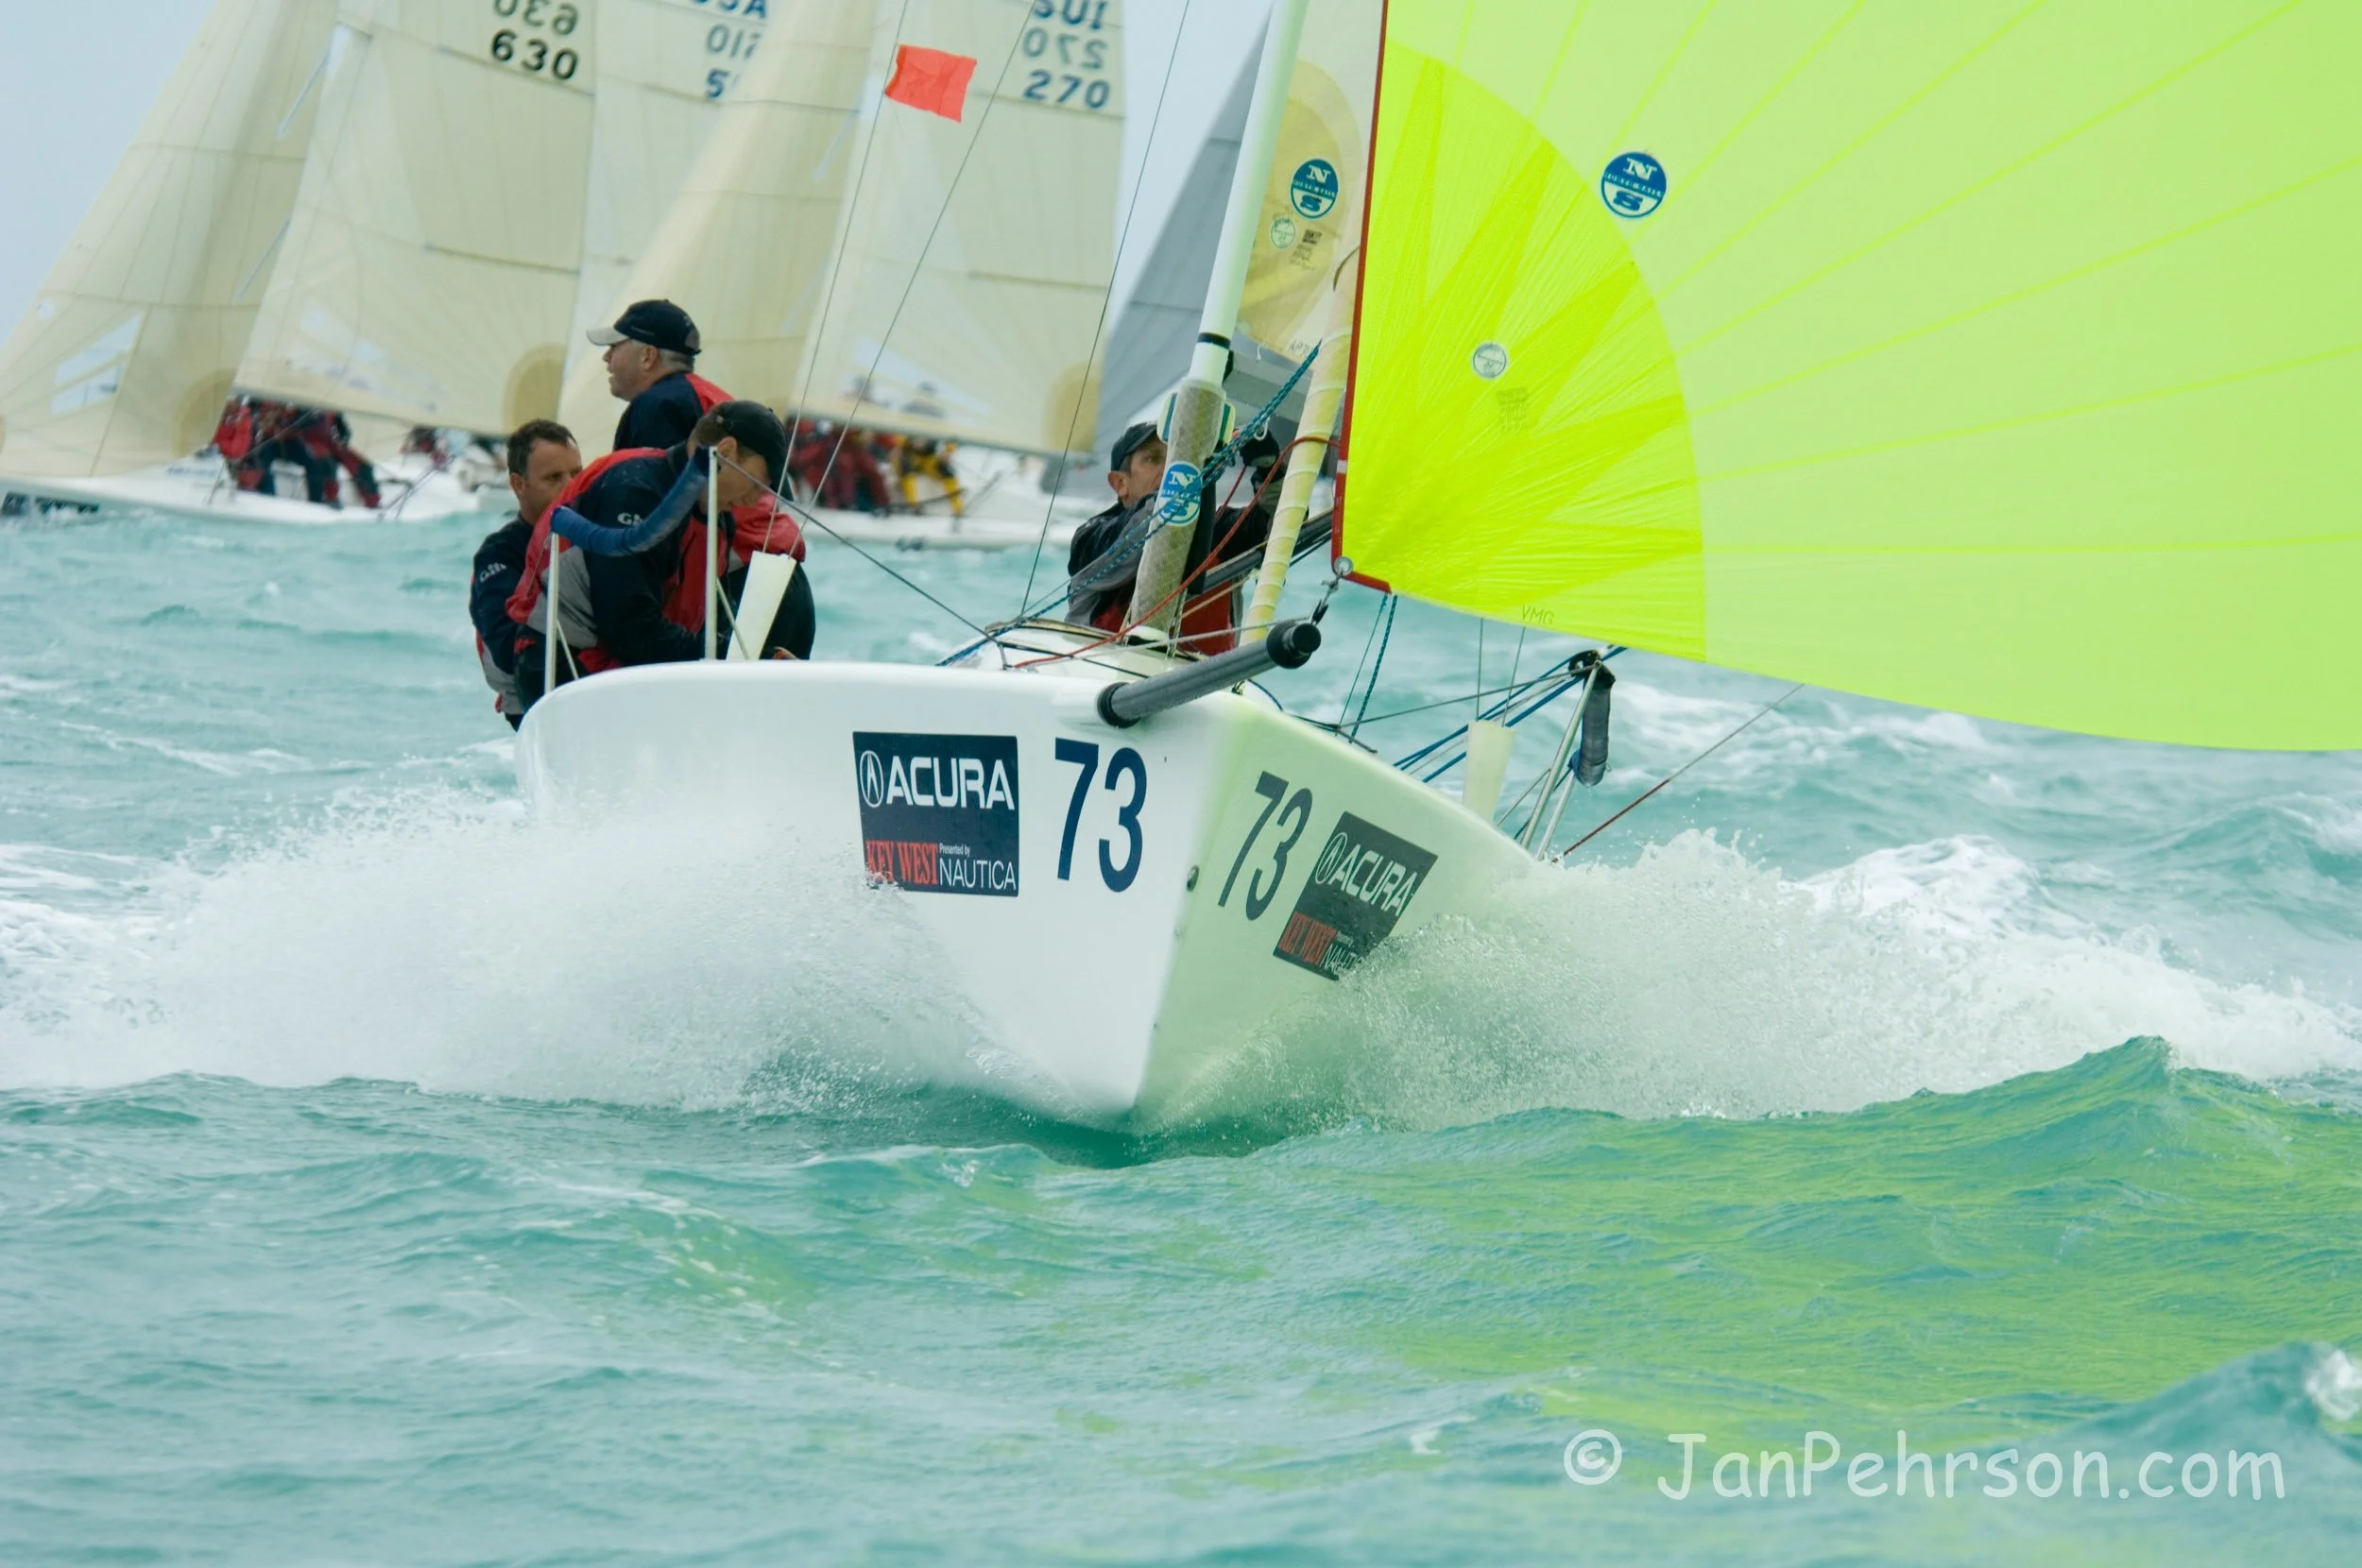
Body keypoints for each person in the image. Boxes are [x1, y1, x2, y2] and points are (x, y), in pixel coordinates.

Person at [508, 401, 813, 709]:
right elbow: (628, 628)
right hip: (563, 672)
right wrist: (737, 656)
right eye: (759, 482)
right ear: (726, 451)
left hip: (631, 674)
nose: (758, 498)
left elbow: (702, 624)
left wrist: (759, 657)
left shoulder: (718, 519)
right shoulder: (635, 492)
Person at [1064, 421, 1279, 649]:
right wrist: (1190, 473)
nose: (1169, 467)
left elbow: (1280, 523)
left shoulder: (1219, 532)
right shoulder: (1090, 538)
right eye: (1154, 459)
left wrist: (1270, 468)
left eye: (1177, 458)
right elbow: (1148, 530)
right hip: (1101, 670)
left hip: (1199, 677)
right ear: (1120, 483)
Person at [469, 419, 582, 727]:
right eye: (554, 478)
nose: (570, 487)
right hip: (534, 705)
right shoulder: (499, 554)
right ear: (519, 485)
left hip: (597, 687)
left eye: (577, 474)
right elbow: (508, 651)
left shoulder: (599, 533)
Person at [587, 298, 716, 453]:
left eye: (614, 346)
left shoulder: (657, 406)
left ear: (648, 356)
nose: (606, 357)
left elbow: (639, 476)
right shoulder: (713, 399)